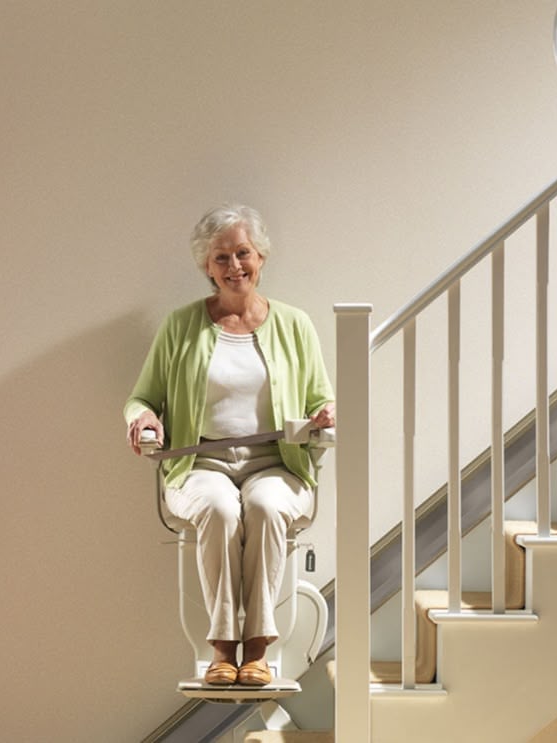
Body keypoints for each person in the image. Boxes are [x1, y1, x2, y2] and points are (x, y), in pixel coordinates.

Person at [124, 204, 335, 686]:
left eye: (243, 253)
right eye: (222, 257)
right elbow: (140, 397)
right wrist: (143, 416)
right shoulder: (181, 326)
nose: (234, 266)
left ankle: (257, 649)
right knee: (220, 508)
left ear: (261, 257)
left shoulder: (295, 324)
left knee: (263, 504)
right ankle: (222, 648)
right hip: (200, 462)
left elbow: (323, 395)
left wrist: (327, 413)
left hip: (277, 462)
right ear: (206, 267)